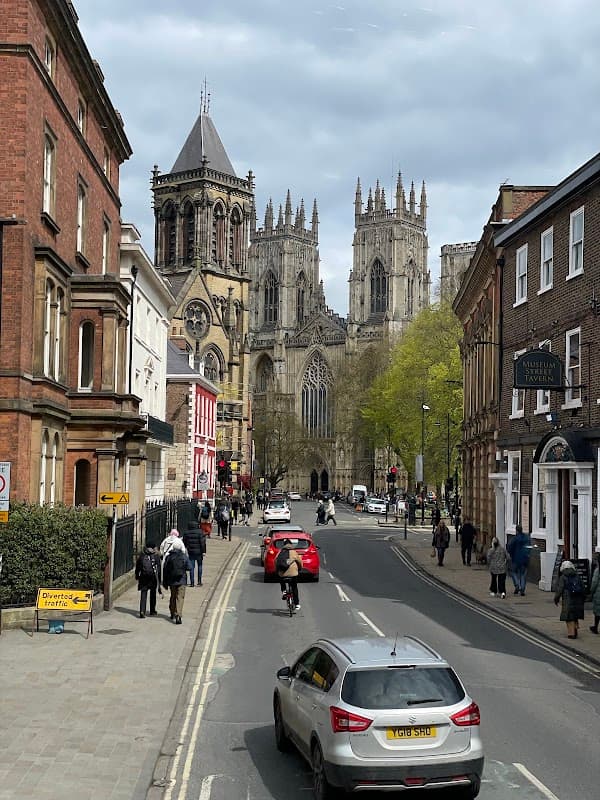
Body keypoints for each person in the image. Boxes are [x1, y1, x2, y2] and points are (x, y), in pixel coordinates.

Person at [161, 530, 188, 624]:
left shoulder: (169, 557)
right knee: (180, 597)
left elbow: (166, 569)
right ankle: (178, 615)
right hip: (182, 579)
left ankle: (172, 613)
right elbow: (190, 567)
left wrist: (164, 581)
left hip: (172, 580)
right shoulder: (184, 556)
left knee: (173, 596)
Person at [554, 560, 585, 639]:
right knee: (575, 614)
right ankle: (575, 628)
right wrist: (583, 598)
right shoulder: (577, 575)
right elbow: (582, 587)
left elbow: (560, 589)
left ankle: (571, 634)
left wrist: (556, 599)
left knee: (569, 616)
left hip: (568, 598)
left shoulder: (563, 577)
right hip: (578, 598)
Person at [134, 545, 162, 618]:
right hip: (153, 577)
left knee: (143, 594)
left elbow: (138, 567)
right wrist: (159, 580)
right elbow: (158, 569)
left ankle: (142, 611)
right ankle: (152, 610)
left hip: (143, 577)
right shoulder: (156, 556)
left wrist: (137, 575)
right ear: (153, 548)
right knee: (153, 594)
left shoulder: (142, 556)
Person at [277, 539, 304, 610]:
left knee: (280, 578)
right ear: (291, 545)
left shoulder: (280, 552)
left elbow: (275, 561)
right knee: (294, 587)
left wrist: (277, 570)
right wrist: (300, 568)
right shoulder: (294, 552)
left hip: (283, 574)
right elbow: (300, 562)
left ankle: (284, 591)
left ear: (284, 545)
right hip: (293, 574)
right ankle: (297, 604)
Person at [507, 524, 531, 595]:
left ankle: (517, 585)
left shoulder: (514, 539)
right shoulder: (527, 538)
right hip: (524, 559)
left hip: (516, 559)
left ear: (516, 531)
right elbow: (529, 548)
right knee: (523, 574)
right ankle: (522, 589)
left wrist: (511, 554)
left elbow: (509, 547)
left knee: (513, 572)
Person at [183, 520, 207, 587]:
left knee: (191, 567)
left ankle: (192, 583)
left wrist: (186, 548)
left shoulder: (186, 533)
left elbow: (184, 543)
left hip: (191, 552)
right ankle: (199, 582)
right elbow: (203, 543)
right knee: (199, 566)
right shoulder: (200, 532)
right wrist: (204, 551)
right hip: (199, 552)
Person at [589, 548, 600, 634]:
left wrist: (591, 593)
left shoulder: (598, 570)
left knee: (598, 612)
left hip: (598, 594)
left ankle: (595, 627)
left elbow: (594, 583)